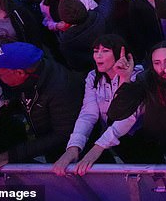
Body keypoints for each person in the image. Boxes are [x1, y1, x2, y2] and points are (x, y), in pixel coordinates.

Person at [0, 42, 83, 183]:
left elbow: (63, 135)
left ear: (19, 72)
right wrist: (5, 107)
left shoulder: (61, 88)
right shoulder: (33, 75)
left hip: (74, 163)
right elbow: (28, 100)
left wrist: (8, 156)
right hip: (51, 151)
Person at [52, 35, 143, 176]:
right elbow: (88, 114)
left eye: (105, 51)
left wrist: (97, 148)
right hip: (111, 137)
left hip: (140, 136)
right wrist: (73, 147)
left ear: (120, 53)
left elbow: (129, 117)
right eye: (96, 51)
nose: (98, 55)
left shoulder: (137, 76)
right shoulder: (93, 77)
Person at [107, 41, 166, 164]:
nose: (163, 68)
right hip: (160, 139)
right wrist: (125, 78)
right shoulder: (145, 79)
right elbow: (116, 113)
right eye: (157, 63)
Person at [56, 0, 115, 72]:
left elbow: (75, 66)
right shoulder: (100, 16)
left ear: (64, 20)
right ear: (83, 7)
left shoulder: (66, 42)